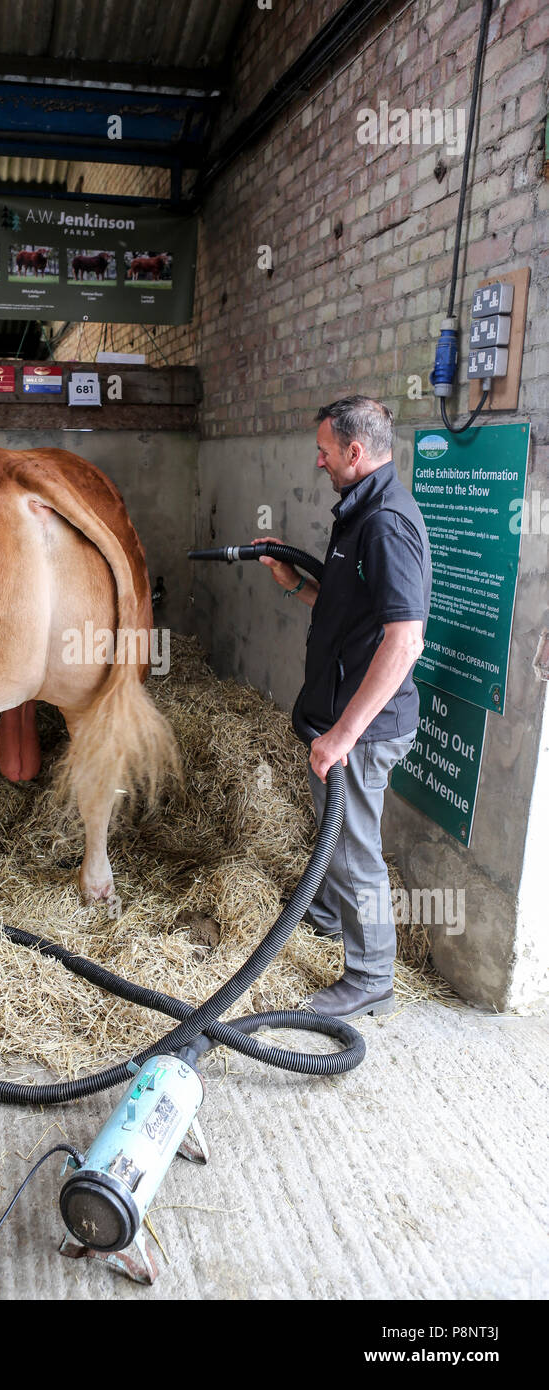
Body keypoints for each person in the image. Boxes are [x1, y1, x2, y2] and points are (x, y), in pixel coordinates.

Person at [257, 396, 432, 1020]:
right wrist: (296, 583)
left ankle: (371, 975)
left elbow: (404, 640)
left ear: (355, 452)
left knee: (357, 850)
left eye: (326, 451)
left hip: (364, 726)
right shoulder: (359, 512)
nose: (320, 460)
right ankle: (328, 915)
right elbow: (351, 614)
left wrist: (344, 736)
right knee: (335, 830)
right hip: (336, 715)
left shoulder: (386, 522)